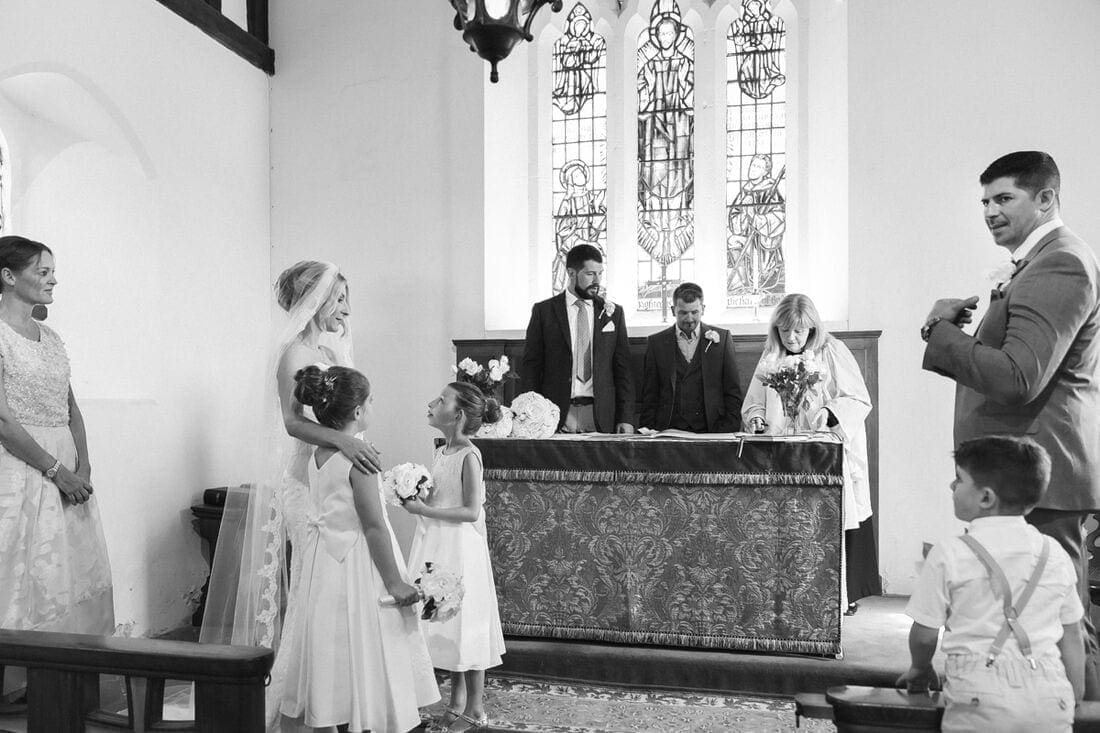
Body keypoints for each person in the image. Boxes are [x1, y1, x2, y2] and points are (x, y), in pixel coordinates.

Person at [921, 151, 1100, 696]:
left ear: (1046, 198)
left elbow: (1020, 376)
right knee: (1028, 624)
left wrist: (940, 332)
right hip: (1025, 467)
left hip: (1041, 473)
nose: (990, 212)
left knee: (1062, 629)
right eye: (984, 201)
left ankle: (1080, 717)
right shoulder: (1037, 261)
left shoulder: (1060, 262)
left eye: (1004, 199)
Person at [199, 261, 383, 726]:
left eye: (344, 298)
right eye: (338, 298)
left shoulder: (325, 346)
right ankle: (307, 690)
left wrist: (354, 441)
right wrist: (343, 441)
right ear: (314, 301)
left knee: (345, 579)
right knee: (314, 579)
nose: (345, 307)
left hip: (338, 469)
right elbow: (292, 421)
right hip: (309, 479)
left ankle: (344, 682)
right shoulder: (293, 355)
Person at [274, 365, 438, 732]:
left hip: (326, 563)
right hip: (357, 561)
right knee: (368, 643)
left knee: (333, 644)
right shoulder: (360, 461)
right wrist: (396, 583)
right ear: (358, 412)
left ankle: (331, 713)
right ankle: (372, 715)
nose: (373, 405)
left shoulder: (320, 452)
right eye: (371, 400)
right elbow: (375, 526)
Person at [897, 436, 1084, 732]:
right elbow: (1073, 633)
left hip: (979, 693)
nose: (951, 486)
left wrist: (920, 668)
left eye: (959, 479)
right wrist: (1075, 694)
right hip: (1050, 691)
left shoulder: (950, 552)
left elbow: (924, 633)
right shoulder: (1054, 552)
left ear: (986, 498)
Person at [0, 235, 113, 634]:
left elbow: (70, 407)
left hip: (66, 465)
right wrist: (56, 471)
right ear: (8, 276)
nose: (52, 281)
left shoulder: (50, 338)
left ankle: (62, 674)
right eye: (42, 272)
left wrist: (83, 463)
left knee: (68, 568)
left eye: (53, 273)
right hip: (19, 466)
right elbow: (2, 421)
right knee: (19, 568)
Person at [742, 293, 874, 613]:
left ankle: (837, 594)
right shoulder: (771, 355)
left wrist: (830, 412)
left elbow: (857, 399)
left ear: (813, 329)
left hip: (823, 449)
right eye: (785, 331)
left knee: (828, 519)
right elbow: (754, 401)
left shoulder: (831, 351)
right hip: (783, 454)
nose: (792, 338)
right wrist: (757, 417)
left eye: (799, 332)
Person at [403, 382, 506, 732]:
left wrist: (425, 510)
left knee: (468, 624)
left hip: (461, 548)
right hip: (439, 545)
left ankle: (476, 709)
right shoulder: (442, 450)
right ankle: (456, 701)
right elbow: (439, 499)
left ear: (458, 415)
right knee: (447, 622)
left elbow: (471, 510)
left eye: (441, 400)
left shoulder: (468, 454)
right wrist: (413, 497)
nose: (432, 403)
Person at [522, 244, 635, 433]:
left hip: (600, 413)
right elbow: (532, 367)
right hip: (555, 413)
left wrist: (626, 418)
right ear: (571, 273)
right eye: (590, 274)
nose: (597, 280)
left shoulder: (613, 314)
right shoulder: (544, 312)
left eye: (600, 273)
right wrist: (530, 415)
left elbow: (623, 370)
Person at [639, 282, 743, 433]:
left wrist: (728, 430)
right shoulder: (656, 343)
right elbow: (650, 395)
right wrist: (648, 432)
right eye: (683, 313)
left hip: (712, 429)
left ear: (703, 309)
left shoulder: (722, 339)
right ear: (673, 310)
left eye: (694, 312)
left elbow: (732, 391)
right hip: (668, 430)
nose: (689, 319)